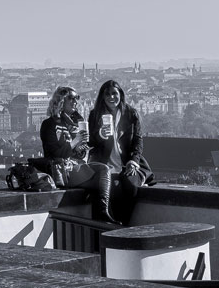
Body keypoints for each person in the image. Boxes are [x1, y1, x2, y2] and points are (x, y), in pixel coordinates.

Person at [40, 86, 120, 224]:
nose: (75, 101)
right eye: (71, 98)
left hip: (76, 167)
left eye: (77, 98)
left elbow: (83, 149)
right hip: (61, 171)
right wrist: (75, 141)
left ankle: (103, 215)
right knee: (102, 172)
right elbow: (54, 153)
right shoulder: (49, 124)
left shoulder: (76, 123)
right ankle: (102, 214)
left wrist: (99, 135)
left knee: (108, 177)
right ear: (61, 101)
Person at [88, 80, 153, 224]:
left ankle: (123, 223)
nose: (111, 97)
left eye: (114, 93)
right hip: (105, 165)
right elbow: (90, 142)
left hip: (127, 162)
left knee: (131, 185)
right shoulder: (95, 115)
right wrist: (100, 135)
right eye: (107, 94)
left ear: (121, 95)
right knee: (114, 189)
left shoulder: (131, 114)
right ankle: (114, 225)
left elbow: (138, 140)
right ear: (102, 97)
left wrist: (134, 161)